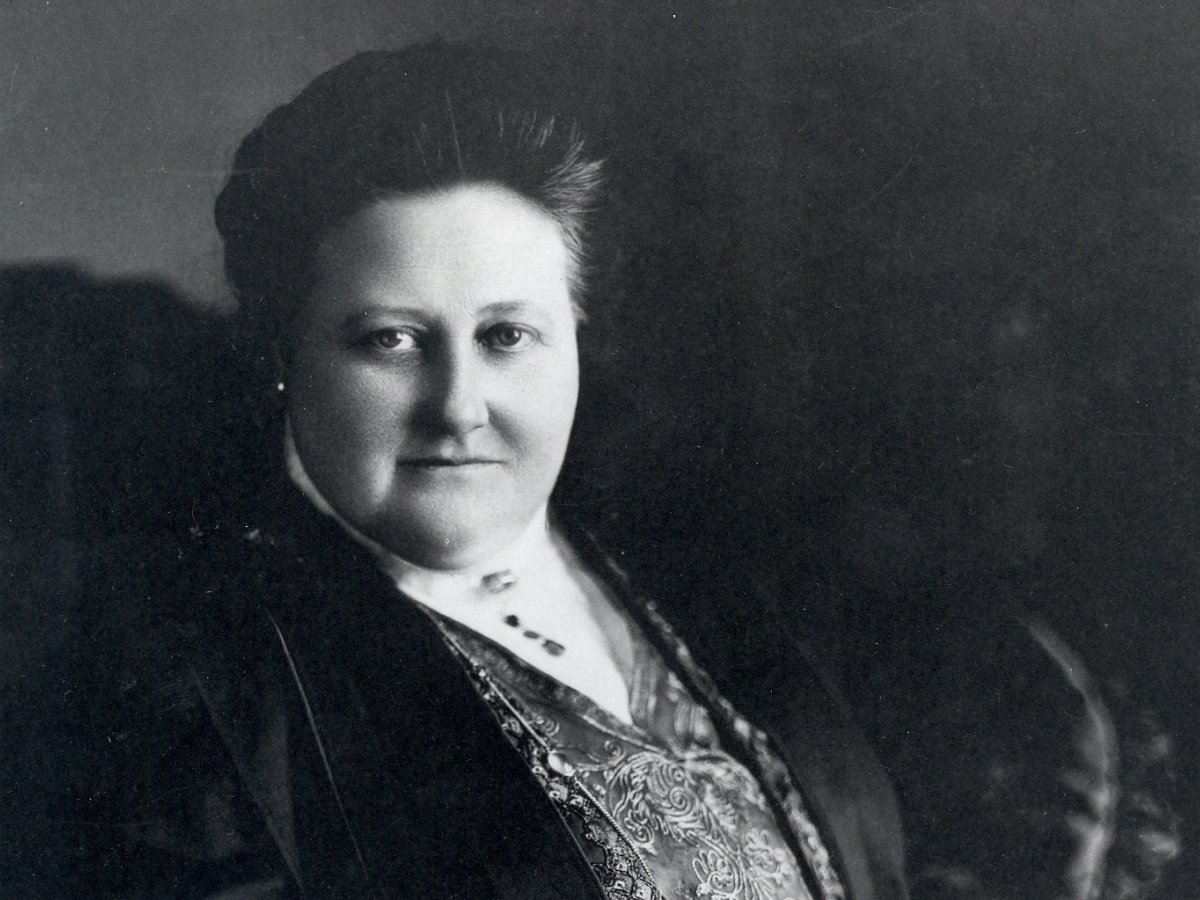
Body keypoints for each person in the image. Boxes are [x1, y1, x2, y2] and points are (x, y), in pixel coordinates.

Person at [10, 42, 907, 900]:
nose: (459, 406)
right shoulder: (198, 707)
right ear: (284, 353)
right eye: (391, 341)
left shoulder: (697, 562)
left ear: (577, 340)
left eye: (506, 336)